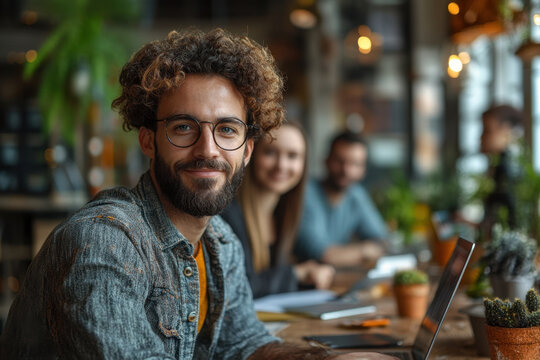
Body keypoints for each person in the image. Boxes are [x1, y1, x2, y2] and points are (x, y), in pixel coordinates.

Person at [0, 28, 394, 360]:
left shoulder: (220, 243)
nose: (208, 150)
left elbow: (245, 344)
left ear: (247, 149)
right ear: (149, 140)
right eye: (184, 127)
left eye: (226, 129)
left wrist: (330, 358)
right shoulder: (105, 244)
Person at [220, 122, 335, 298]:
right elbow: (237, 287)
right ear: (250, 153)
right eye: (270, 152)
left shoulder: (283, 214)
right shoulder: (229, 213)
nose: (281, 165)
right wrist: (296, 274)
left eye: (293, 156)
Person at [294, 131, 388, 267]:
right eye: (339, 161)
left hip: (336, 278)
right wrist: (365, 250)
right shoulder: (305, 193)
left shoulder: (356, 195)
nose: (346, 170)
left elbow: (383, 240)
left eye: (355, 164)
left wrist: (349, 253)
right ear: (326, 160)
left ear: (363, 170)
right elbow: (323, 255)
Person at [479, 104, 523, 236]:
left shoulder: (509, 172)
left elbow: (510, 227)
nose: (481, 137)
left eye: (487, 130)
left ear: (506, 131)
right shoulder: (497, 167)